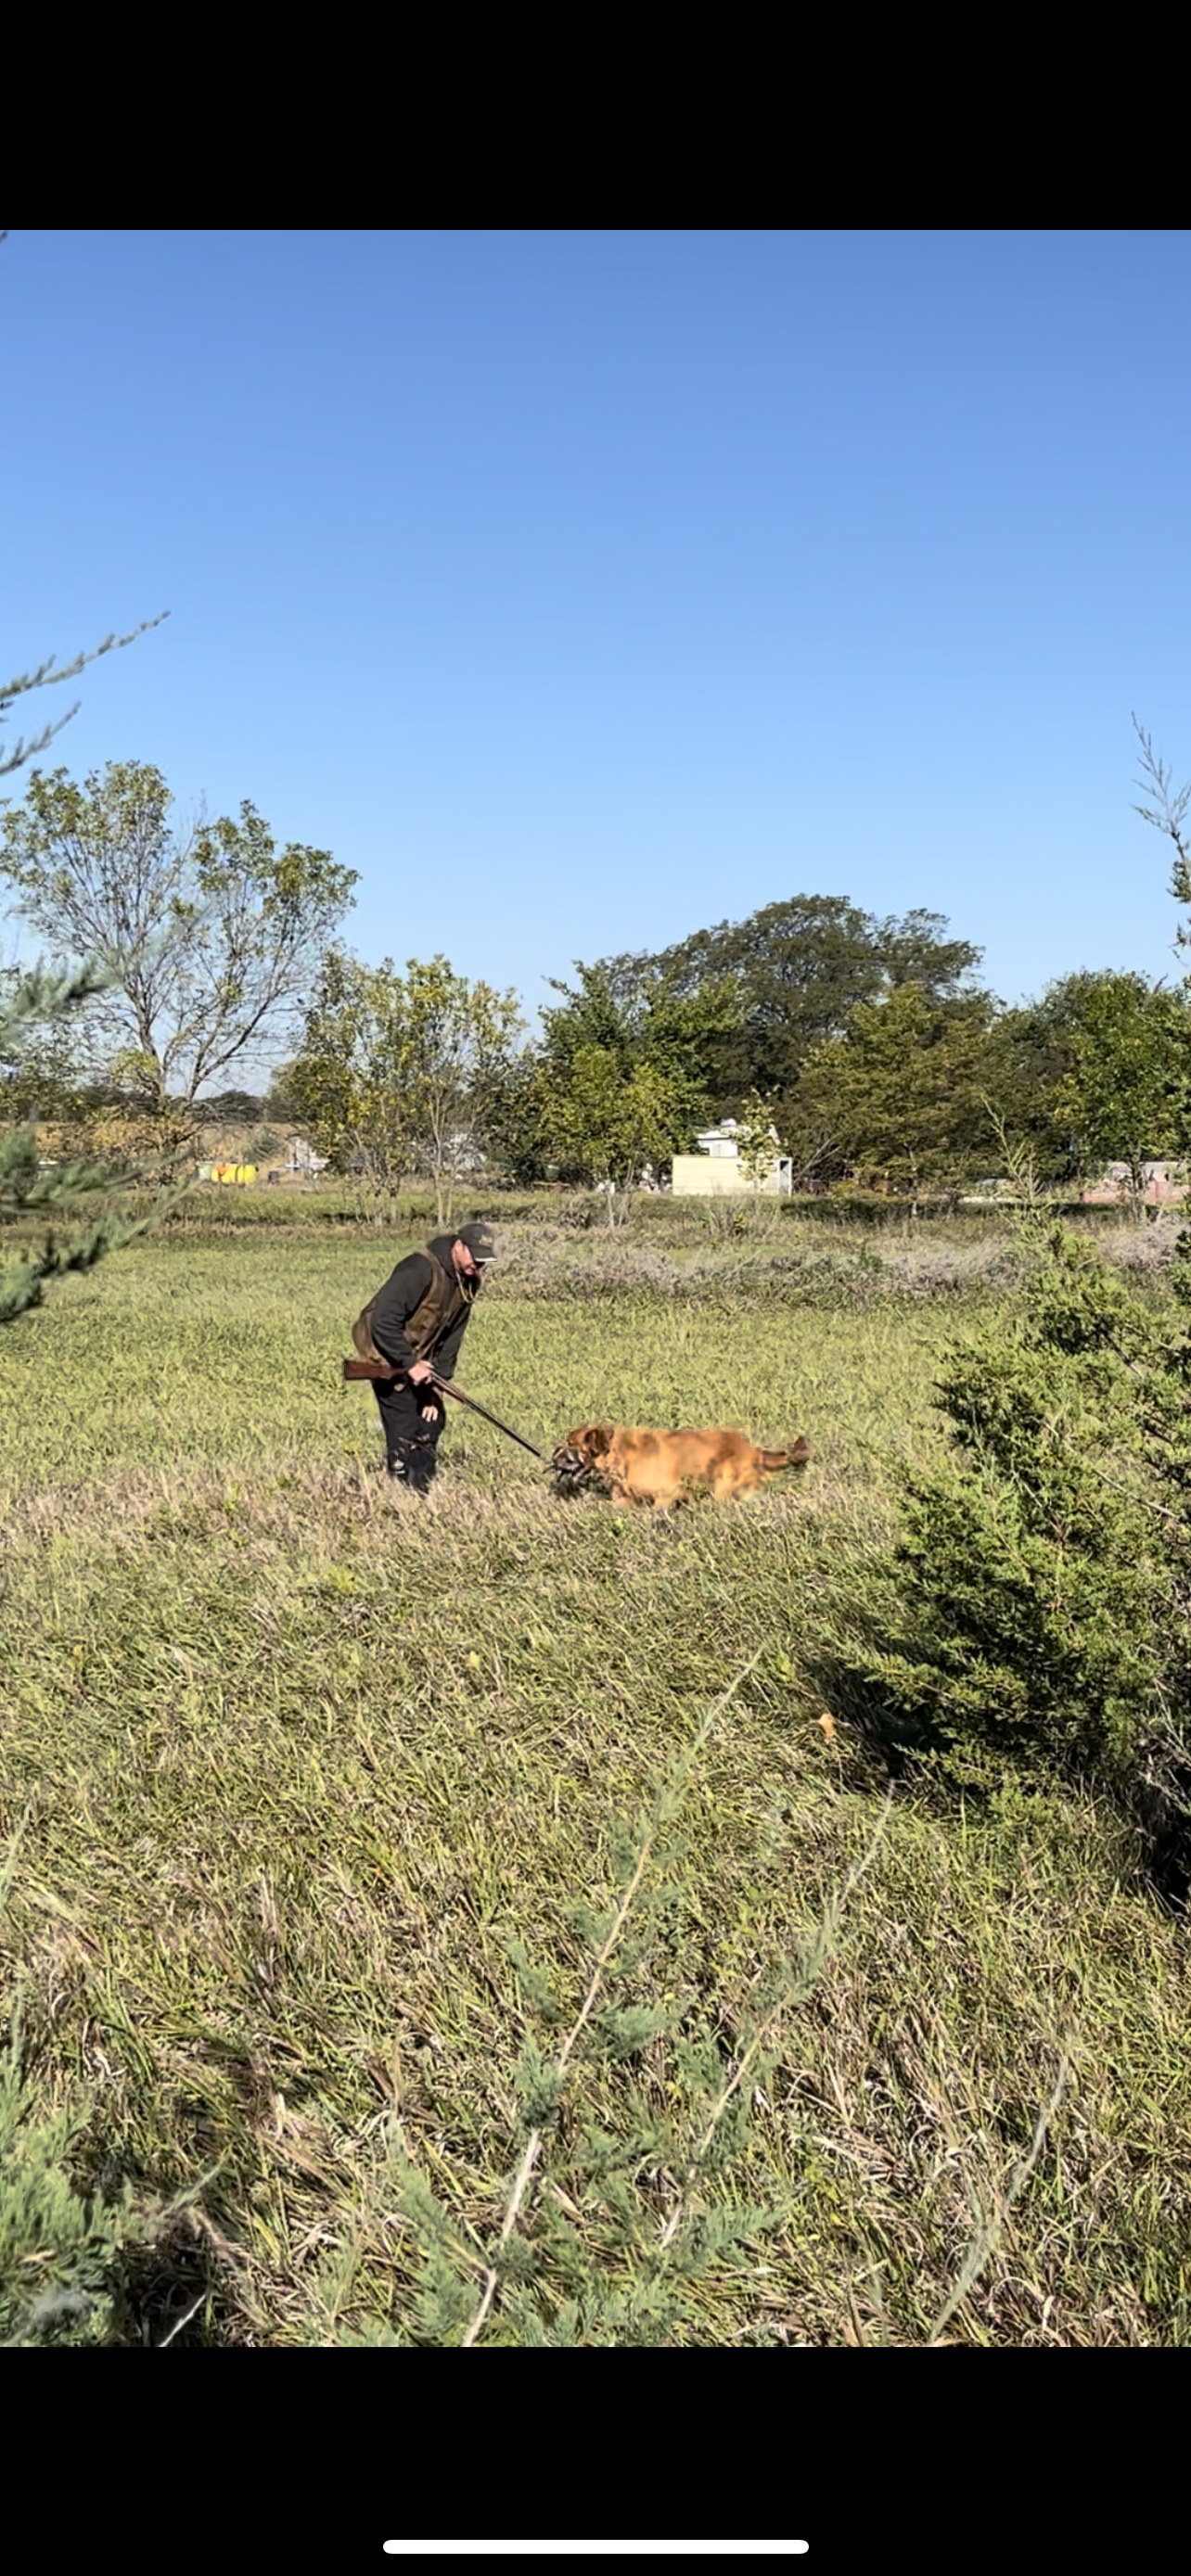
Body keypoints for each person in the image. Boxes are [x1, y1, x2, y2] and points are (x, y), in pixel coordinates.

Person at [352, 1223, 496, 1491]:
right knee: (405, 1425)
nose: (478, 1266)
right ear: (458, 1246)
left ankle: (422, 1488)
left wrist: (439, 1384)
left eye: (483, 1261)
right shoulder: (419, 1269)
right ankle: (403, 1493)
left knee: (432, 1419)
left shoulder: (468, 1281)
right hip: (387, 1358)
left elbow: (454, 1334)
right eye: (474, 1258)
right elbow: (383, 1321)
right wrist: (409, 1363)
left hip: (421, 1362)